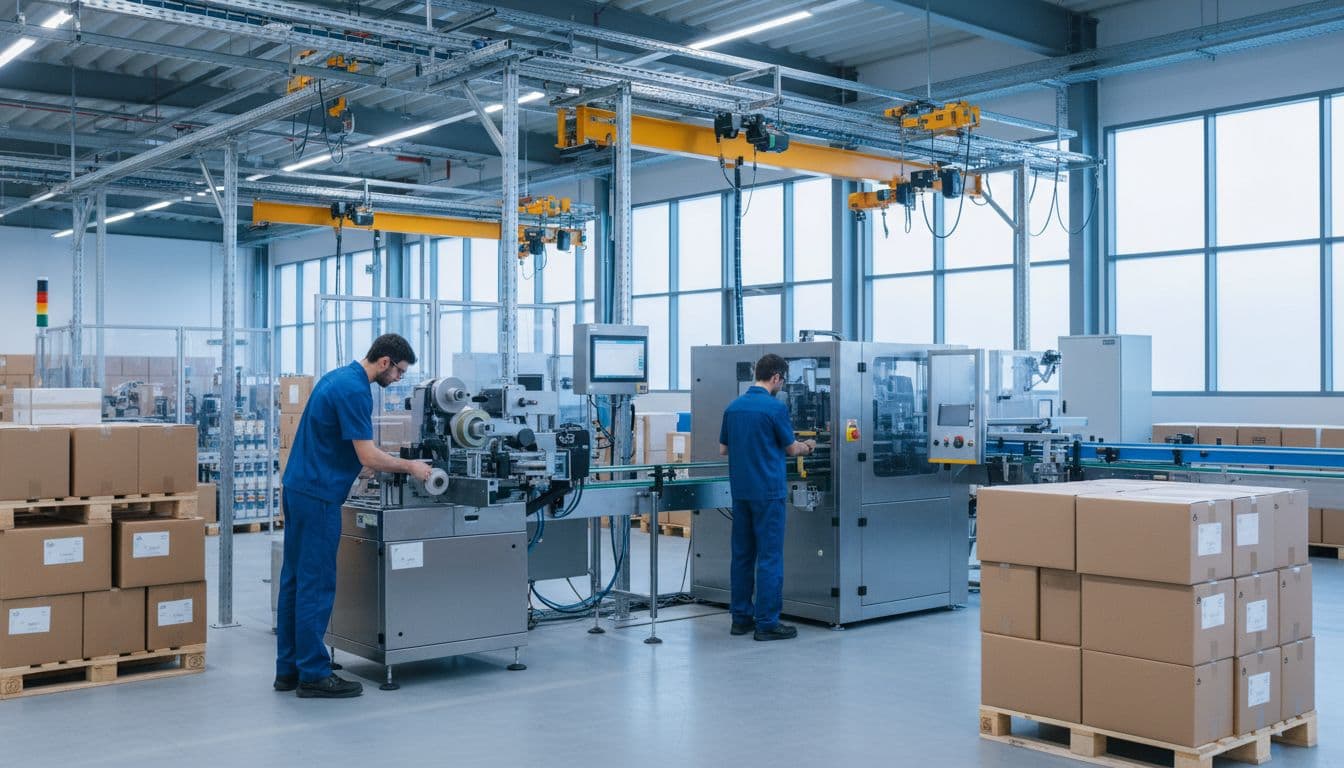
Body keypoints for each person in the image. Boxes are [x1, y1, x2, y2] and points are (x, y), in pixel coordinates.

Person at [274, 334, 433, 698]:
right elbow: (368, 455)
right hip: (319, 496)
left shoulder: (337, 378)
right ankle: (313, 674)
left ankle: (289, 669)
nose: (398, 378)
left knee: (295, 580)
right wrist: (410, 466)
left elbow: (337, 443)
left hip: (299, 488)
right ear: (385, 361)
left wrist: (359, 465)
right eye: (399, 371)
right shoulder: (356, 391)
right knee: (317, 583)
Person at [718, 354, 816, 641]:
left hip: (741, 492)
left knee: (742, 556)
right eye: (782, 380)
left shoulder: (733, 407)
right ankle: (767, 623)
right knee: (769, 558)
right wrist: (809, 445)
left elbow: (723, 449)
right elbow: (792, 449)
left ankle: (740, 619)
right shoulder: (775, 408)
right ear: (775, 377)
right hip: (769, 493)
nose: (782, 385)